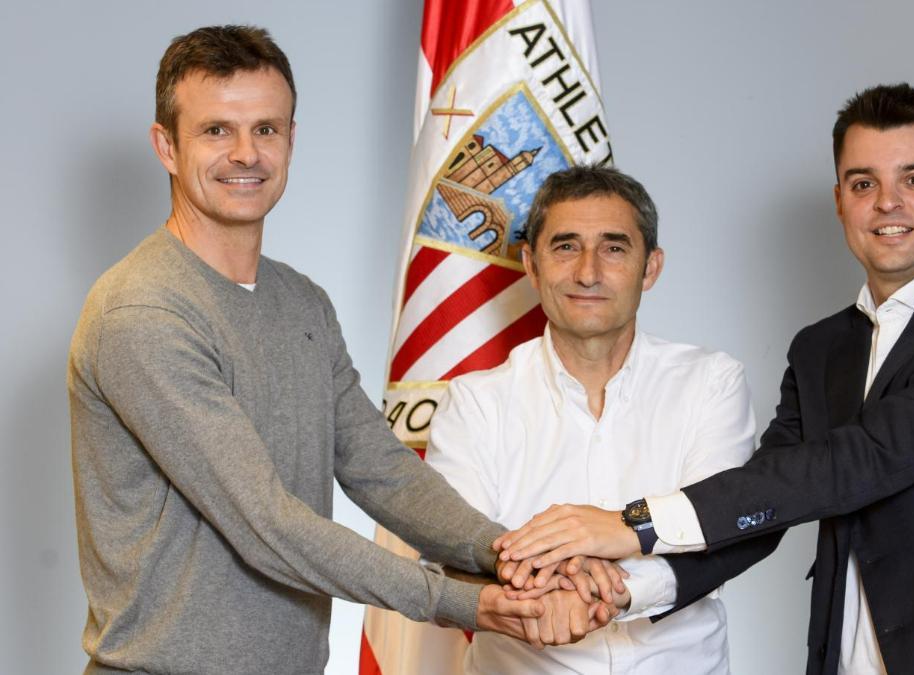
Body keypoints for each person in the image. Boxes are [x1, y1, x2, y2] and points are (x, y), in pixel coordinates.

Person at [66, 25, 603, 674]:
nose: (246, 153)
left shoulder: (303, 302)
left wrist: (509, 553)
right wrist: (465, 599)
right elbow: (268, 524)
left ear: (292, 139)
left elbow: (382, 468)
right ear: (167, 147)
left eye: (266, 129)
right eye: (216, 131)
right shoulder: (143, 310)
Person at [496, 84, 914, 675]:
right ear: (840, 201)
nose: (888, 203)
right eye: (863, 184)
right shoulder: (821, 349)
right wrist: (626, 590)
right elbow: (766, 499)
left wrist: (635, 524)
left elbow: (864, 460)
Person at [424, 165, 766, 674]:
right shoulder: (474, 403)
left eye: (613, 248)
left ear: (650, 267)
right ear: (531, 265)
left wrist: (610, 590)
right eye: (565, 247)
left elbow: (716, 533)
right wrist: (544, 599)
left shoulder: (711, 383)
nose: (588, 272)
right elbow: (449, 560)